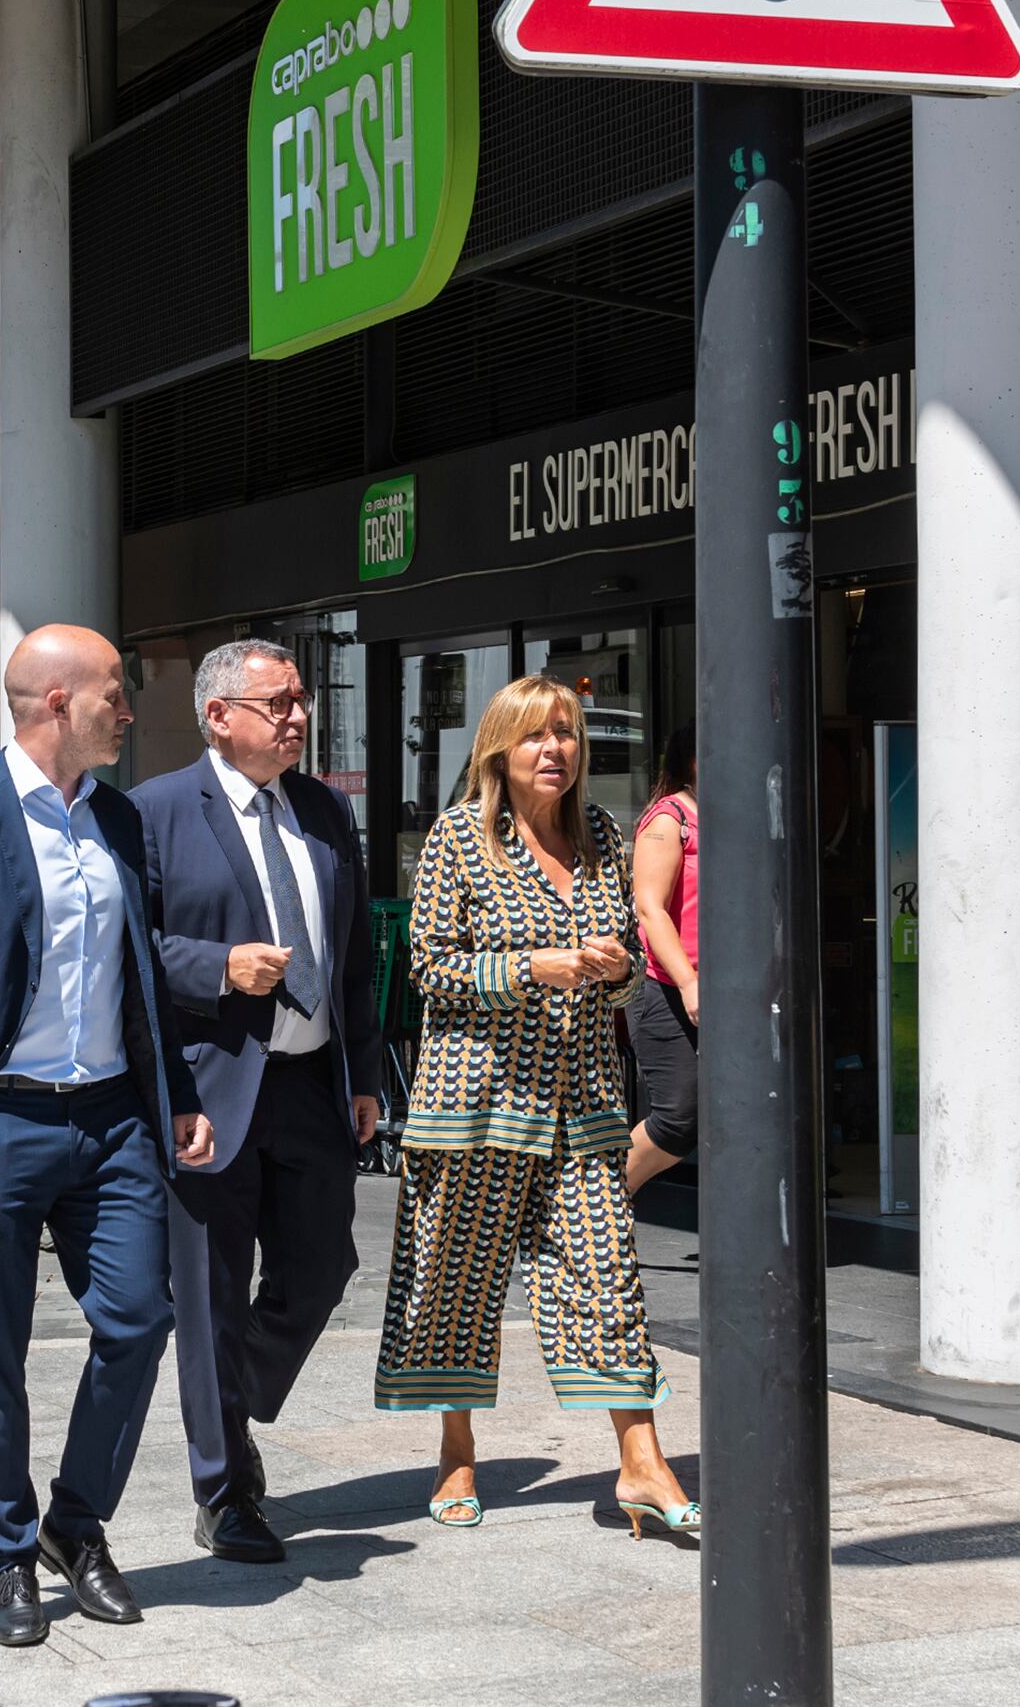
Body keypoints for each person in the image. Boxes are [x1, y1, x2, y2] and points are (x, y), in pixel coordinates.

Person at [0, 624, 200, 1648]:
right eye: (114, 693)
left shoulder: (118, 820)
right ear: (59, 702)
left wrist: (175, 1095)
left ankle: (75, 1525)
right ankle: (8, 1555)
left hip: (111, 1120)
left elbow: (140, 978)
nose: (128, 710)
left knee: (139, 1319)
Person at [377, 674, 700, 1542]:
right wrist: (531, 967)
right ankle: (455, 1451)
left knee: (606, 1277)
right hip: (476, 1105)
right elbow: (430, 966)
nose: (553, 748)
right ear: (498, 749)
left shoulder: (602, 834)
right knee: (456, 1284)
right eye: (533, 735)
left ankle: (641, 1462)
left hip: (583, 1106)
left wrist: (616, 969)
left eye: (564, 733)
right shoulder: (458, 837)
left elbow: (627, 966)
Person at [139, 638, 380, 1565]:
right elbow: (127, 949)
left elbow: (352, 954)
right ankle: (224, 1489)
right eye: (277, 703)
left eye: (299, 700)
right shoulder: (155, 811)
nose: (298, 717)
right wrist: (217, 967)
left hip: (311, 1082)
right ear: (217, 716)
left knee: (321, 1268)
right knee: (207, 1292)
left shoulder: (323, 808)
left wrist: (362, 1072)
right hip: (209, 1089)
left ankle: (225, 1395)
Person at [622, 729, 699, 1193]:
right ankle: (601, 1205)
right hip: (664, 989)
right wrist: (688, 982)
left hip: (724, 992)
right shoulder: (669, 819)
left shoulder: (730, 816)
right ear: (692, 762)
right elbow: (650, 909)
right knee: (677, 1119)